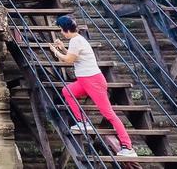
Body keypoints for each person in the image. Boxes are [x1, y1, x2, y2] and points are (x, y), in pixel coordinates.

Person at [50, 15, 137, 158]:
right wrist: (63, 48)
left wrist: (55, 51)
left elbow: (68, 60)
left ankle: (127, 146)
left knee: (109, 114)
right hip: (86, 81)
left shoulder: (76, 40)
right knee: (67, 91)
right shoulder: (77, 40)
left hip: (93, 81)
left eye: (60, 29)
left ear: (65, 29)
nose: (60, 32)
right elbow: (75, 57)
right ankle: (82, 121)